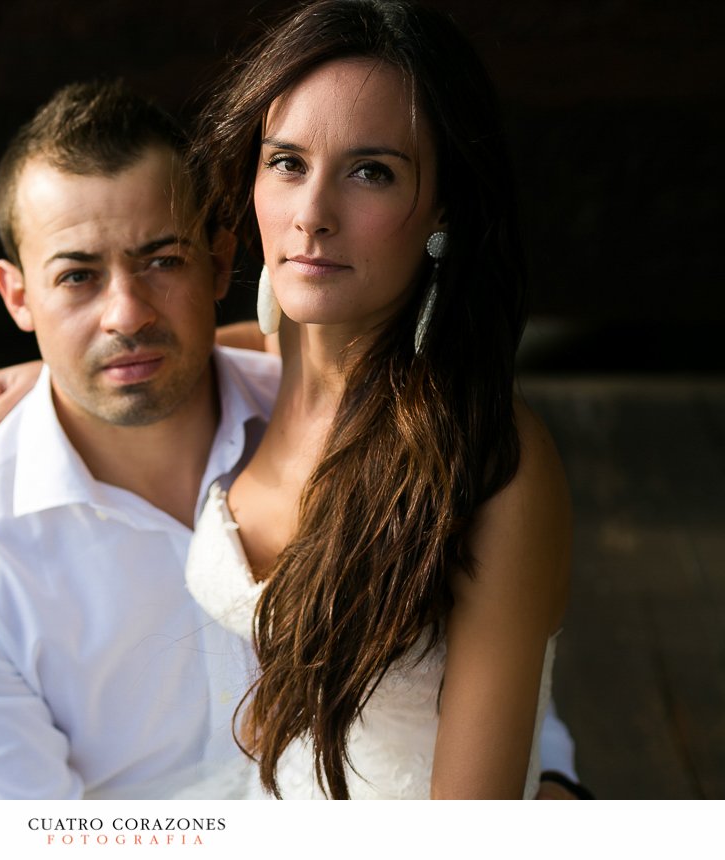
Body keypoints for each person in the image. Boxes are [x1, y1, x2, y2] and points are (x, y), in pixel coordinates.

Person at [0, 77, 581, 799]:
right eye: (77, 277)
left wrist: (557, 787)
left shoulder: (365, 412)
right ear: (19, 296)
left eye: (162, 261)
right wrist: (68, 370)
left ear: (218, 262)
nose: (125, 315)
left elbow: (482, 661)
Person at [180, 0, 574, 798]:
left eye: (372, 172)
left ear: (443, 213)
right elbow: (130, 363)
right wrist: (43, 376)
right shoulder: (264, 355)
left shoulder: (496, 468)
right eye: (287, 161)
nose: (311, 216)